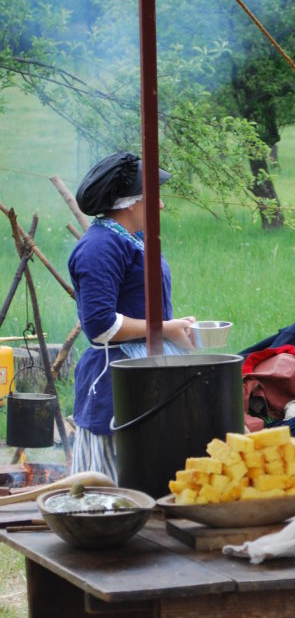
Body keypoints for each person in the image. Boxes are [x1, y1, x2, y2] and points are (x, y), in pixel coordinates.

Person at [68, 150, 196, 481]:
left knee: (156, 476)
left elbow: (139, 304)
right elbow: (100, 326)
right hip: (117, 379)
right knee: (112, 491)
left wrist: (170, 329)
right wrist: (167, 328)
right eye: (155, 197)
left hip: (146, 369)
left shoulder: (132, 239)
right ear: (130, 202)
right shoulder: (100, 247)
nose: (162, 206)